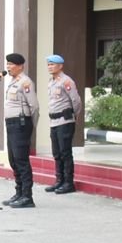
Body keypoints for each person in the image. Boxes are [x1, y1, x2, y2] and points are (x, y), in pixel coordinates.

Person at [0, 53, 37, 208]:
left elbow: (34, 107)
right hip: (11, 124)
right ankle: (19, 192)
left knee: (21, 160)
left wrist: (30, 126)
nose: (8, 67)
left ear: (20, 66)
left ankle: (27, 196)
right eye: (7, 64)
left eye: (11, 64)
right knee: (13, 159)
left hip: (21, 124)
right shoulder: (12, 82)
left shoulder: (25, 82)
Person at [44, 55, 83, 195]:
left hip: (65, 121)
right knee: (57, 153)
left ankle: (68, 182)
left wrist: (74, 115)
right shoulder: (51, 81)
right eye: (48, 64)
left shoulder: (67, 81)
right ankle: (59, 180)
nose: (50, 67)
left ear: (60, 66)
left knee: (65, 153)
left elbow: (76, 101)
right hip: (54, 122)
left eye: (53, 64)